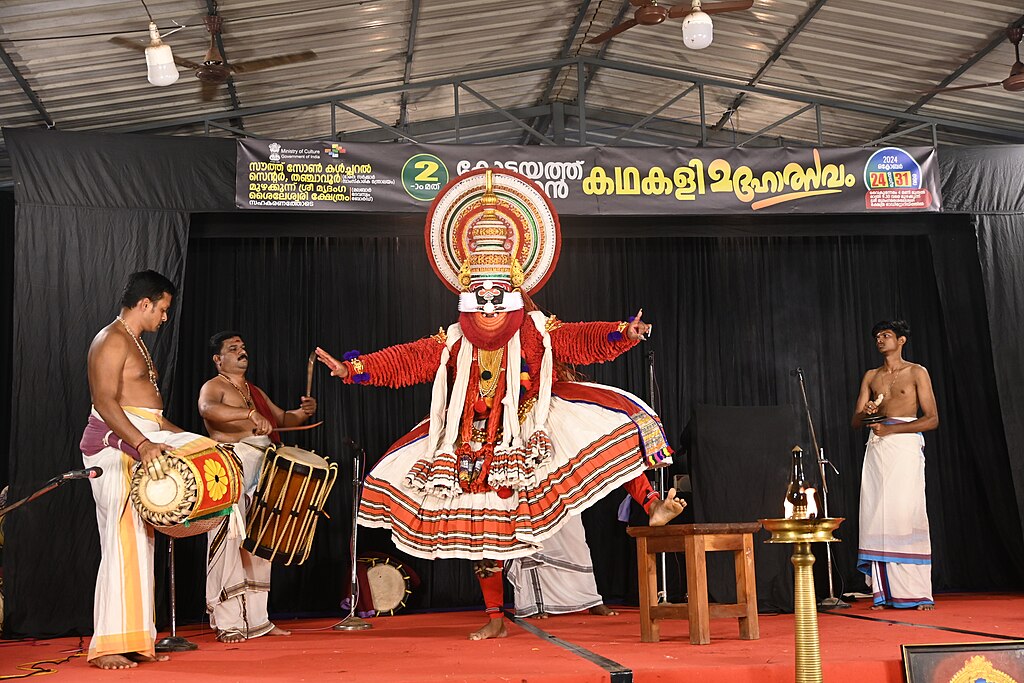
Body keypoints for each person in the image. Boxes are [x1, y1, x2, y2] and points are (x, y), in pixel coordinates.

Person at [316, 168, 683, 640]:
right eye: (480, 294)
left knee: (607, 431)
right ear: (466, 290)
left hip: (528, 424)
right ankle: (495, 617)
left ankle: (651, 505)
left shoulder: (534, 330)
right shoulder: (450, 340)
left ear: (514, 287)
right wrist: (355, 369)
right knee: (482, 531)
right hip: (469, 437)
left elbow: (579, 339)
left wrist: (621, 333)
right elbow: (407, 360)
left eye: (498, 293)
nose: (489, 304)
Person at [79, 270, 191, 669]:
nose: (164, 318)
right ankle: (107, 646)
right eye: (162, 309)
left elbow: (154, 419)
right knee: (120, 542)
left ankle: (134, 640)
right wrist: (141, 444)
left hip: (143, 444)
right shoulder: (110, 340)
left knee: (140, 546)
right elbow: (106, 403)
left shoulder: (136, 342)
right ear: (145, 304)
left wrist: (198, 443)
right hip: (116, 449)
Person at [198, 331, 317, 642]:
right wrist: (248, 414)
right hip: (230, 468)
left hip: (263, 467)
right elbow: (208, 410)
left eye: (243, 347)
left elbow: (283, 420)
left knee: (260, 543)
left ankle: (258, 620)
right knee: (229, 540)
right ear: (217, 359)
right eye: (233, 348)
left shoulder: (255, 391)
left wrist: (302, 412)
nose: (242, 352)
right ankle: (228, 622)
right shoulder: (214, 387)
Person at [851, 319, 938, 611]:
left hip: (903, 444)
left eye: (886, 335)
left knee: (905, 511)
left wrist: (893, 430)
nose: (880, 339)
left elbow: (931, 419)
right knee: (878, 513)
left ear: (901, 340)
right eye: (877, 335)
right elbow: (855, 421)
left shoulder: (916, 372)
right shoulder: (871, 376)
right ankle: (882, 592)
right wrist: (868, 412)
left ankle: (917, 591)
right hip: (877, 448)